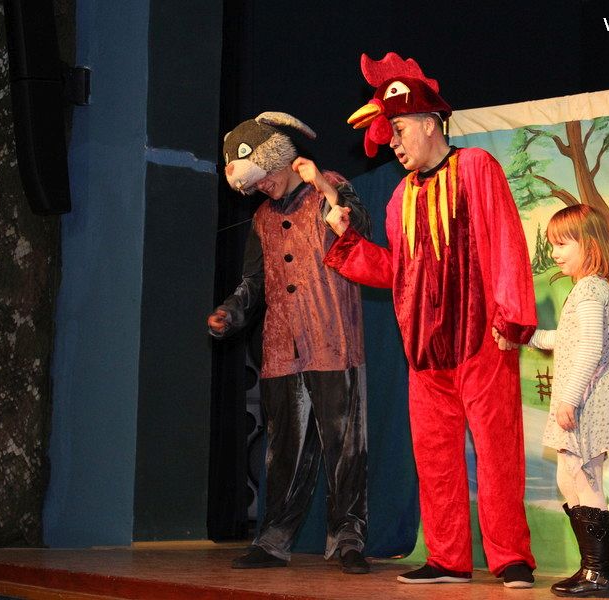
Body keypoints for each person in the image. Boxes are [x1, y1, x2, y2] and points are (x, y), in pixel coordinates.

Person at [323, 53, 536, 588]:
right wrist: (347, 241)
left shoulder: (477, 167)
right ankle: (447, 559)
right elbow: (398, 271)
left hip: (482, 340)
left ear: (428, 122)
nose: (394, 145)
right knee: (435, 459)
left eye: (397, 131)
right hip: (424, 352)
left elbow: (506, 241)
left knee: (498, 453)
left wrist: (512, 318)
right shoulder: (400, 197)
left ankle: (511, 557)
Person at [208, 111, 372, 575]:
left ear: (280, 158)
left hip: (334, 339)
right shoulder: (262, 218)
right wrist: (230, 313)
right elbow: (253, 282)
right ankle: (274, 541)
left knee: (345, 447)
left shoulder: (329, 187)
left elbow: (360, 229)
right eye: (253, 184)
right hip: (282, 348)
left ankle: (348, 540)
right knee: (284, 451)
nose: (261, 187)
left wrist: (324, 187)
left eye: (263, 176)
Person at [512, 203, 609, 598]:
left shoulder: (591, 289)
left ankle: (599, 573)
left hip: (586, 399)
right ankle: (592, 567)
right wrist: (525, 335)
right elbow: (567, 339)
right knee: (569, 476)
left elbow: (591, 347)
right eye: (552, 244)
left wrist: (570, 399)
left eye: (563, 244)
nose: (555, 253)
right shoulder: (585, 289)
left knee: (583, 476)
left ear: (589, 244)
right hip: (581, 397)